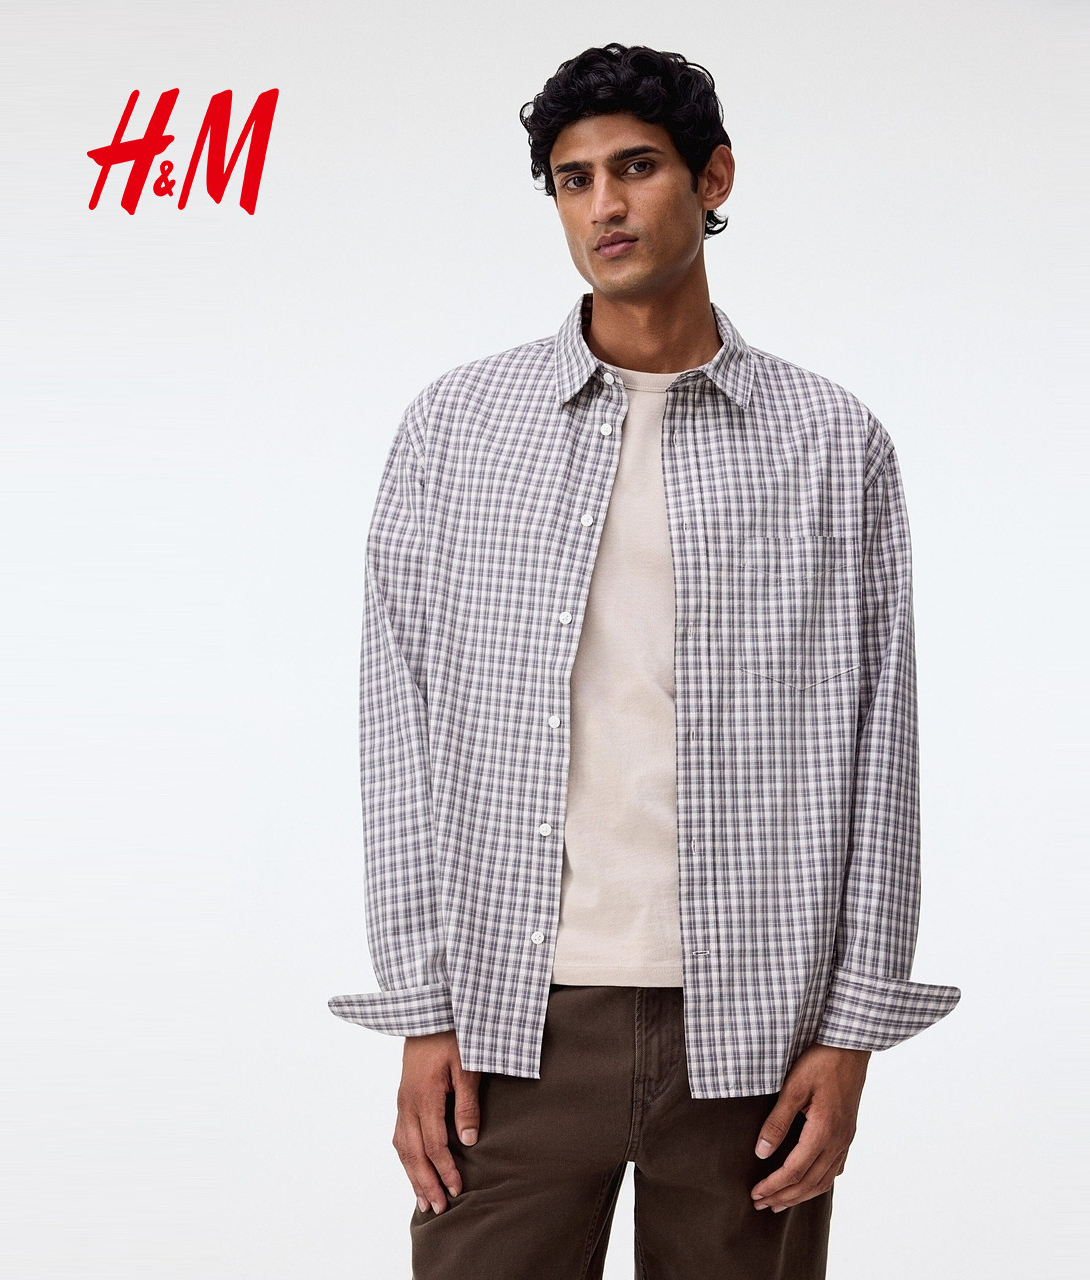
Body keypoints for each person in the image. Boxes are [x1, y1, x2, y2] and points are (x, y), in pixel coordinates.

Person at [328, 41, 961, 1280]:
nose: (603, 205)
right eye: (572, 180)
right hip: (510, 1026)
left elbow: (881, 744)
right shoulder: (457, 429)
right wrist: (421, 1007)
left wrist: (849, 1033)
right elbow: (397, 723)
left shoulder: (831, 442)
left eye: (636, 167)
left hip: (756, 1029)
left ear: (711, 177)